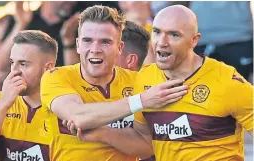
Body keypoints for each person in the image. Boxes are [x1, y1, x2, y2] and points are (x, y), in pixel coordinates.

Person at [66, 5, 253, 161]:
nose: (162, 42)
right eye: (157, 32)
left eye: (173, 35)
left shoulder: (227, 81)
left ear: (194, 40)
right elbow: (145, 142)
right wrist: (102, 133)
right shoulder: (146, 78)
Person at [41, 5, 188, 161]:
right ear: (78, 45)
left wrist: (103, 133)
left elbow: (146, 147)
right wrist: (141, 100)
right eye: (87, 41)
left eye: (105, 42)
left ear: (119, 47)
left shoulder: (136, 81)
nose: (95, 49)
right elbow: (77, 116)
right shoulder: (56, 77)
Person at [0, 30, 57, 161]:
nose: (14, 71)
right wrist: (2, 106)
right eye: (12, 62)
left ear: (48, 68)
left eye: (23, 64)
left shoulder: (63, 108)